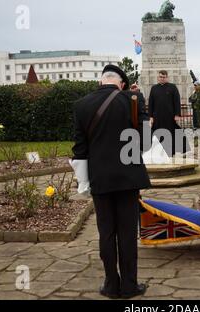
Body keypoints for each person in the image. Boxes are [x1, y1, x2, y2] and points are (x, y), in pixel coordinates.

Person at [72, 64, 151, 299]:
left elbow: (80, 149)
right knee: (127, 233)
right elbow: (146, 141)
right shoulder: (133, 101)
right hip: (128, 177)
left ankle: (110, 284)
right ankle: (129, 286)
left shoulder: (81, 105)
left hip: (100, 178)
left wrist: (83, 182)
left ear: (100, 81)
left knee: (106, 232)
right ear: (122, 84)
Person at [148, 70, 187, 156]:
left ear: (167, 77)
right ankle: (159, 152)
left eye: (163, 77)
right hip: (157, 117)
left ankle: (171, 152)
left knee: (172, 134)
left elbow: (177, 101)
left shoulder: (172, 87)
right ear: (158, 78)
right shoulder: (154, 88)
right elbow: (151, 103)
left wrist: (177, 114)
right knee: (158, 134)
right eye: (160, 77)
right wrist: (151, 117)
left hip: (170, 116)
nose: (162, 79)